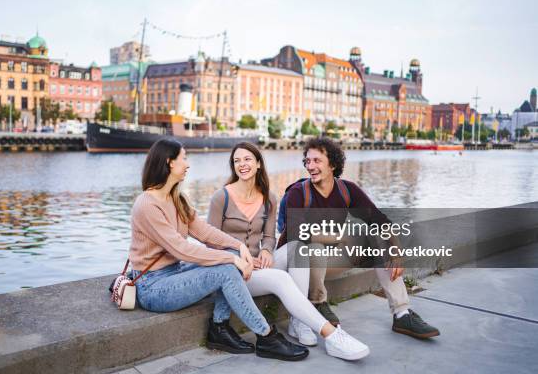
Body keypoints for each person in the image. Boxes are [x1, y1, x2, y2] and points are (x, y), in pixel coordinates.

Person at [128, 138, 308, 361]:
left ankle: (219, 327)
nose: (187, 164)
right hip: (153, 287)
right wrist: (231, 259)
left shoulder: (176, 199)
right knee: (226, 267)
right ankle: (266, 336)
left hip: (175, 272)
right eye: (184, 158)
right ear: (169, 163)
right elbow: (181, 249)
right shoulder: (147, 204)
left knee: (230, 257)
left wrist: (238, 246)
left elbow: (204, 231)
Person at [207, 142, 370, 361]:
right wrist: (239, 258)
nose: (242, 164)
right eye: (237, 161)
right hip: (235, 272)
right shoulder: (221, 197)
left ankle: (298, 323)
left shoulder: (269, 199)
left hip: (261, 265)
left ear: (257, 164)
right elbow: (210, 242)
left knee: (298, 247)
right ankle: (332, 336)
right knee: (282, 278)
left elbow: (269, 237)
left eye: (247, 159)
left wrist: (266, 250)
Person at [278, 137, 440, 339]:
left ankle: (402, 313)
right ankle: (318, 303)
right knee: (314, 247)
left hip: (333, 260)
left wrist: (396, 251)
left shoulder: (347, 190)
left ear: (333, 164)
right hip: (302, 265)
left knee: (376, 238)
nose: (310, 166)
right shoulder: (298, 193)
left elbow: (380, 220)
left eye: (317, 161)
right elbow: (297, 233)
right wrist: (341, 237)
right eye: (307, 161)